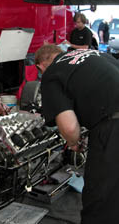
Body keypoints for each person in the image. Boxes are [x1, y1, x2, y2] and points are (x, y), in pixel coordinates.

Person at [35, 44, 119, 224]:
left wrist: (74, 142)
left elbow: (70, 127)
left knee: (100, 200)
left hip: (113, 126)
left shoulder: (52, 73)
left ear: (41, 66)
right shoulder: (92, 54)